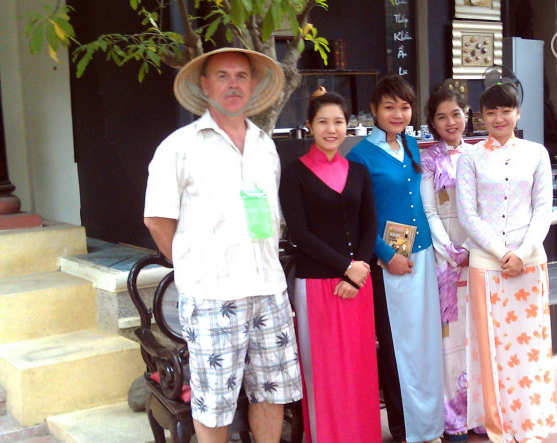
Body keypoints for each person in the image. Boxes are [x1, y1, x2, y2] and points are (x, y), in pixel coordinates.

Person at [143, 48, 302, 443]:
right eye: (222, 76)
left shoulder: (265, 145)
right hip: (213, 295)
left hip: (269, 289)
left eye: (241, 76)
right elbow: (157, 219)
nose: (233, 84)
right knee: (214, 401)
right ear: (204, 85)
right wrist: (191, 266)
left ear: (253, 84)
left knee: (272, 392)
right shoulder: (179, 147)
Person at [456, 83, 557, 442]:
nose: (499, 118)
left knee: (528, 346)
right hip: (487, 264)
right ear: (480, 117)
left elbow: (543, 209)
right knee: (491, 347)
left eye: (506, 110)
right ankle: (497, 422)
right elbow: (467, 214)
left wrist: (523, 253)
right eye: (491, 112)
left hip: (529, 264)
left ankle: (530, 420)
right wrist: (502, 254)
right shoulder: (469, 157)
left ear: (518, 113)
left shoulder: (536, 153)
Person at [279, 91, 381, 442]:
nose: (331, 128)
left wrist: (358, 270)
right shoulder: (294, 174)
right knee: (324, 372)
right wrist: (346, 268)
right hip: (316, 287)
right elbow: (299, 233)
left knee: (359, 369)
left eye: (338, 121)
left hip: (358, 284)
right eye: (323, 121)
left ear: (347, 125)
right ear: (309, 126)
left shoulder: (359, 172)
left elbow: (370, 224)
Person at [346, 75, 443, 443]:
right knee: (397, 346)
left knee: (425, 343)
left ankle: (431, 425)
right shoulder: (359, 156)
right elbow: (357, 219)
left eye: (404, 107)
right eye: (389, 107)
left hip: (423, 256)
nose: (398, 114)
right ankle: (406, 429)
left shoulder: (412, 145)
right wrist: (386, 254)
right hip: (390, 264)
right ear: (374, 110)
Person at [420, 87, 484, 442]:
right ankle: (454, 418)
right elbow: (430, 211)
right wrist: (450, 250)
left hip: (480, 257)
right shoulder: (427, 160)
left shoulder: (479, 155)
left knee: (479, 336)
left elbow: (487, 208)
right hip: (446, 262)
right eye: (441, 117)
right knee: (451, 341)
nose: (450, 122)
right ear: (432, 122)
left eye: (456, 114)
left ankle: (481, 413)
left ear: (467, 114)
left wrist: (475, 248)